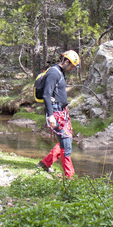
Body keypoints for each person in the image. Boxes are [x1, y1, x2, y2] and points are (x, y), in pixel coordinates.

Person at [36, 50, 80, 178]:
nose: (72, 69)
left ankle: (45, 163)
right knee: (66, 143)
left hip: (62, 112)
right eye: (72, 66)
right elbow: (46, 95)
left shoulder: (60, 72)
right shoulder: (54, 73)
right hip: (56, 113)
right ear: (66, 61)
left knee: (67, 140)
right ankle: (70, 176)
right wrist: (50, 116)